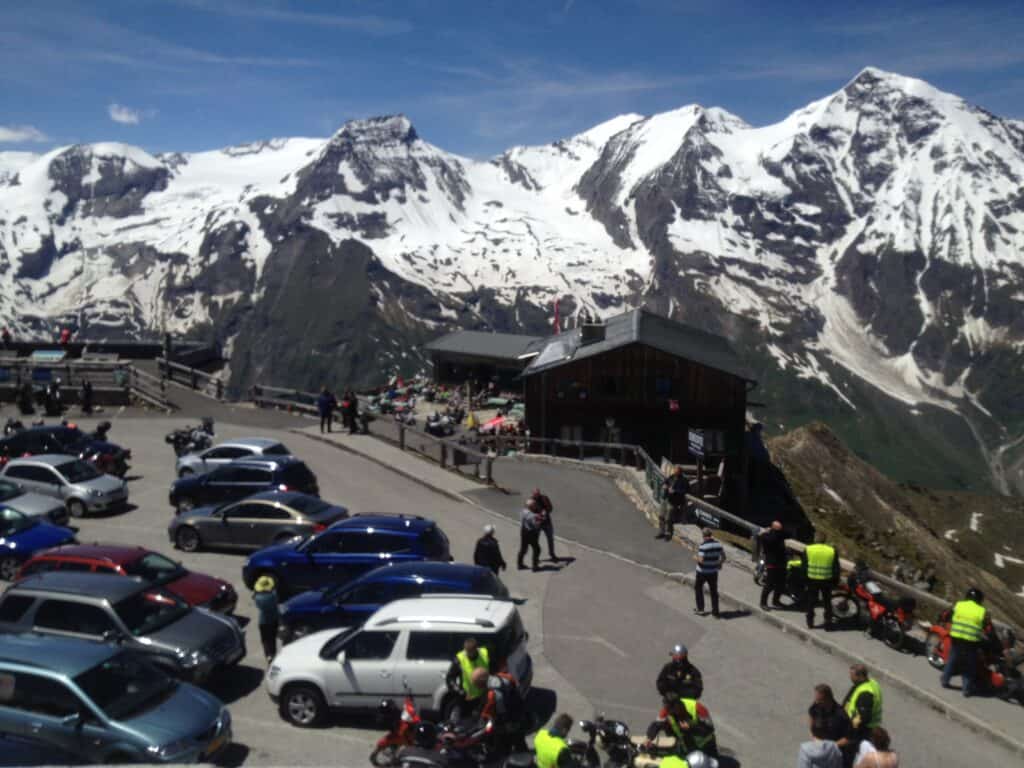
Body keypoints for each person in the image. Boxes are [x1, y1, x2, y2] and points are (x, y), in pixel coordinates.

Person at [940, 586, 989, 698]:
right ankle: (966, 689)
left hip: (956, 638)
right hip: (971, 642)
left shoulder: (959, 605)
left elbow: (948, 615)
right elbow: (986, 627)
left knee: (952, 660)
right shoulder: (982, 611)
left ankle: (944, 680)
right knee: (969, 666)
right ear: (979, 599)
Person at [474, 668, 528, 752]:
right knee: (520, 742)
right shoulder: (503, 676)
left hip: (508, 723)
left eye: (476, 684)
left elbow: (486, 714)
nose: (477, 687)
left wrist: (479, 721)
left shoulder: (491, 694)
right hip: (519, 713)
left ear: (481, 683)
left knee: (505, 746)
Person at [646, 696, 717, 756]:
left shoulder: (698, 707)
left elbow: (710, 728)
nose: (672, 712)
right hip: (686, 744)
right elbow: (656, 724)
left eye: (673, 709)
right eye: (669, 710)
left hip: (705, 743)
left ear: (678, 704)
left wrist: (691, 727)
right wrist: (649, 738)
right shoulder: (666, 710)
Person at [445, 638, 490, 722]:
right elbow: (450, 678)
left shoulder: (484, 653)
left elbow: (494, 666)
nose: (469, 654)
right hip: (467, 698)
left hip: (484, 695)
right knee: (466, 721)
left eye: (471, 652)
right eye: (467, 652)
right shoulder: (460, 659)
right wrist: (459, 691)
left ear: (476, 649)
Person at [842, 664, 882, 757]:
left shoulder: (865, 694)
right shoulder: (872, 683)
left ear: (860, 676)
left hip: (861, 730)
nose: (850, 677)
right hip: (866, 728)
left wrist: (850, 728)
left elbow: (863, 717)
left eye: (852, 675)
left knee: (849, 753)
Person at [802, 532, 839, 630]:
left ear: (815, 539)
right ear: (824, 540)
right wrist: (835, 581)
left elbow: (804, 567)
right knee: (827, 602)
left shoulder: (808, 549)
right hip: (827, 580)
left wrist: (804, 580)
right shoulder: (831, 551)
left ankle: (810, 622)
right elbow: (836, 568)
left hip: (812, 579)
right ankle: (828, 623)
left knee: (811, 601)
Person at [694, 528, 724, 618]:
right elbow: (724, 557)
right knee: (714, 592)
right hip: (713, 572)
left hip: (702, 572)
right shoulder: (718, 545)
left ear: (703, 536)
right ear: (711, 535)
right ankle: (715, 612)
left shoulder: (703, 546)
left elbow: (701, 560)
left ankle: (701, 609)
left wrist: (695, 557)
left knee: (698, 589)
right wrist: (719, 564)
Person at [758, 520, 787, 609]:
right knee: (769, 584)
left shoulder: (772, 535)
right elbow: (762, 538)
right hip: (772, 563)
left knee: (780, 584)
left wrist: (765, 532)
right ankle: (763, 603)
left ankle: (776, 601)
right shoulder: (769, 537)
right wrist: (765, 533)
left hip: (781, 562)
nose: (780, 530)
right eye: (779, 529)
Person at [252, 575, 279, 663]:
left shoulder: (258, 598)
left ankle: (268, 655)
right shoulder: (273, 594)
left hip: (263, 621)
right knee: (272, 638)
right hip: (274, 619)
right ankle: (273, 653)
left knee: (265, 639)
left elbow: (256, 602)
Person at [659, 466, 689, 540]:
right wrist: (664, 485)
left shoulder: (684, 480)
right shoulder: (671, 477)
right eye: (674, 470)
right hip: (666, 499)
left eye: (676, 471)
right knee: (661, 516)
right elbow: (665, 482)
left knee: (668, 519)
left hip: (674, 501)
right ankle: (661, 532)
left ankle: (668, 534)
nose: (675, 472)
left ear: (680, 472)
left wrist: (675, 491)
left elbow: (685, 491)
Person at [530, 488, 558, 561]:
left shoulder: (544, 498)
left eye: (538, 494)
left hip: (547, 522)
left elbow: (551, 508)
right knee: (535, 541)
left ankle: (552, 554)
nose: (537, 496)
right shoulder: (531, 501)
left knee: (550, 539)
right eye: (535, 495)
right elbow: (529, 513)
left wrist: (546, 510)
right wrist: (537, 515)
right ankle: (536, 558)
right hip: (537, 524)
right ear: (533, 495)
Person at [517, 498, 542, 571]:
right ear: (531, 506)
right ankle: (535, 566)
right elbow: (536, 525)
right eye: (534, 505)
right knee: (537, 549)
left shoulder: (523, 511)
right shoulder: (532, 516)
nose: (536, 506)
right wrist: (540, 520)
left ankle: (520, 564)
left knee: (523, 549)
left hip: (523, 531)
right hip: (531, 533)